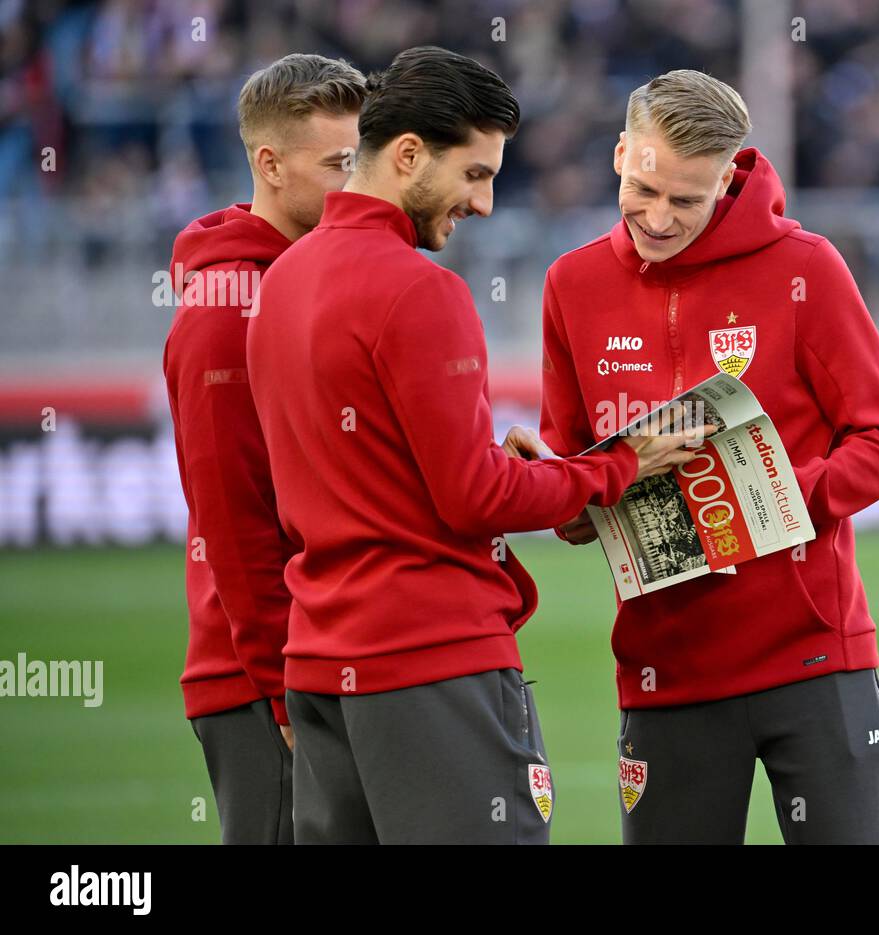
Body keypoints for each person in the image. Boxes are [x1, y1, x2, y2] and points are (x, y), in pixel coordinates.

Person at [245, 46, 705, 844]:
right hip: (429, 661)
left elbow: (375, 474)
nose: (486, 203)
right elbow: (475, 496)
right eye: (476, 174)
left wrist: (518, 470)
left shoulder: (281, 281)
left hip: (321, 659)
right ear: (410, 153)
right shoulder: (422, 291)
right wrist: (617, 466)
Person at [539, 70, 879, 844]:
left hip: (815, 660)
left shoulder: (807, 268)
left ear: (729, 177)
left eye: (687, 199)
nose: (659, 217)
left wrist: (771, 499)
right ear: (619, 154)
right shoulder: (570, 285)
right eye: (644, 188)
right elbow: (571, 467)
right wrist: (565, 503)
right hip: (663, 671)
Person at [163, 53, 367, 844]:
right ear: (269, 164)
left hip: (323, 653)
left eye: (362, 158)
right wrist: (285, 688)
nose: (356, 185)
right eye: (337, 165)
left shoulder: (308, 279)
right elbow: (231, 513)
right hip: (267, 674)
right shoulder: (223, 311)